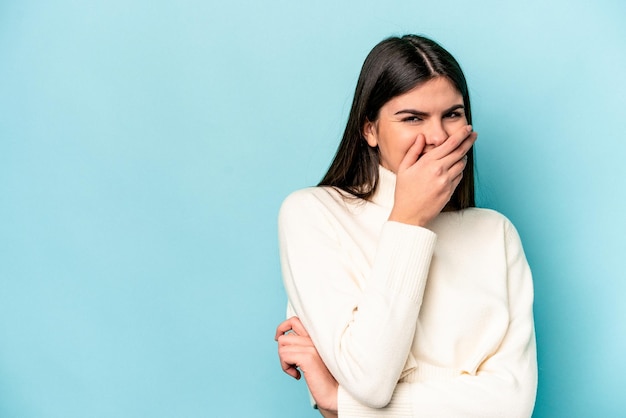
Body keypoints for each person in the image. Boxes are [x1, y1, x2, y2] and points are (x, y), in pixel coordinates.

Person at [274, 34, 537, 418]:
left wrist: (341, 402)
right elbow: (372, 381)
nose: (438, 137)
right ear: (370, 130)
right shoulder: (313, 215)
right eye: (412, 118)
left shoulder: (495, 234)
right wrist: (409, 219)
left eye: (453, 114)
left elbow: (512, 405)